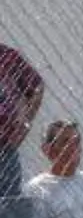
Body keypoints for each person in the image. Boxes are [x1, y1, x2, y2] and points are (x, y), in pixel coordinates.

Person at [0, 44, 44, 197]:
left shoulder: (7, 56)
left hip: (3, 150)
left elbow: (37, 88)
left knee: (6, 206)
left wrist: (25, 123)